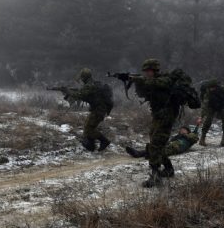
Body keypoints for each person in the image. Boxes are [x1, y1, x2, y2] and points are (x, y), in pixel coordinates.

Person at [120, 59, 180, 187]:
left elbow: (157, 83)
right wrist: (133, 81)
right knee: (156, 142)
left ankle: (155, 175)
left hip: (167, 116)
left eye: (148, 71)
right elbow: (142, 94)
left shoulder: (165, 79)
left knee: (155, 144)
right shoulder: (150, 81)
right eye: (145, 71)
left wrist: (138, 79)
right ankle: (169, 169)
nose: (146, 73)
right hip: (158, 116)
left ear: (155, 70)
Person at [65, 68, 114, 152]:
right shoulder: (91, 84)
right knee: (88, 126)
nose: (81, 80)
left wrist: (68, 92)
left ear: (84, 77)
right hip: (98, 109)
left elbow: (79, 95)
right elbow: (85, 95)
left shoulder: (89, 85)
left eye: (82, 78)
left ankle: (104, 141)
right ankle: (91, 146)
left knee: (89, 130)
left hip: (99, 110)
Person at [126, 118, 202, 163]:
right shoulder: (178, 136)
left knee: (161, 151)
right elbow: (170, 140)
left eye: (184, 130)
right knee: (157, 147)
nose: (182, 131)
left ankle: (149, 155)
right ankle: (138, 153)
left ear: (188, 131)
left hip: (176, 148)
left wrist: (197, 124)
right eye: (181, 130)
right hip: (171, 145)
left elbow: (194, 134)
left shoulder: (190, 137)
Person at [199, 79, 224, 147]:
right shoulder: (208, 93)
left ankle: (223, 140)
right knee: (208, 120)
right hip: (213, 105)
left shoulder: (223, 90)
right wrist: (201, 116)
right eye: (209, 88)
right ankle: (202, 139)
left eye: (211, 88)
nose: (210, 89)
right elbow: (205, 104)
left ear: (215, 87)